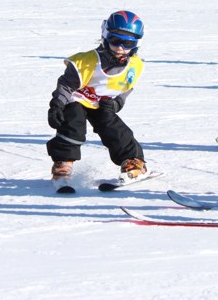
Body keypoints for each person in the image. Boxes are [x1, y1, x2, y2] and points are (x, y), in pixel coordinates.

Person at [46, 11, 149, 189]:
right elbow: (66, 85)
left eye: (128, 43)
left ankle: (133, 162)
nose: (120, 48)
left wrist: (116, 104)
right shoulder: (87, 62)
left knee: (113, 127)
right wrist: (57, 105)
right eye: (115, 40)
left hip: (103, 104)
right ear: (104, 35)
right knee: (72, 125)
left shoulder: (134, 66)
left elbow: (125, 90)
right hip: (76, 99)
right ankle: (63, 164)